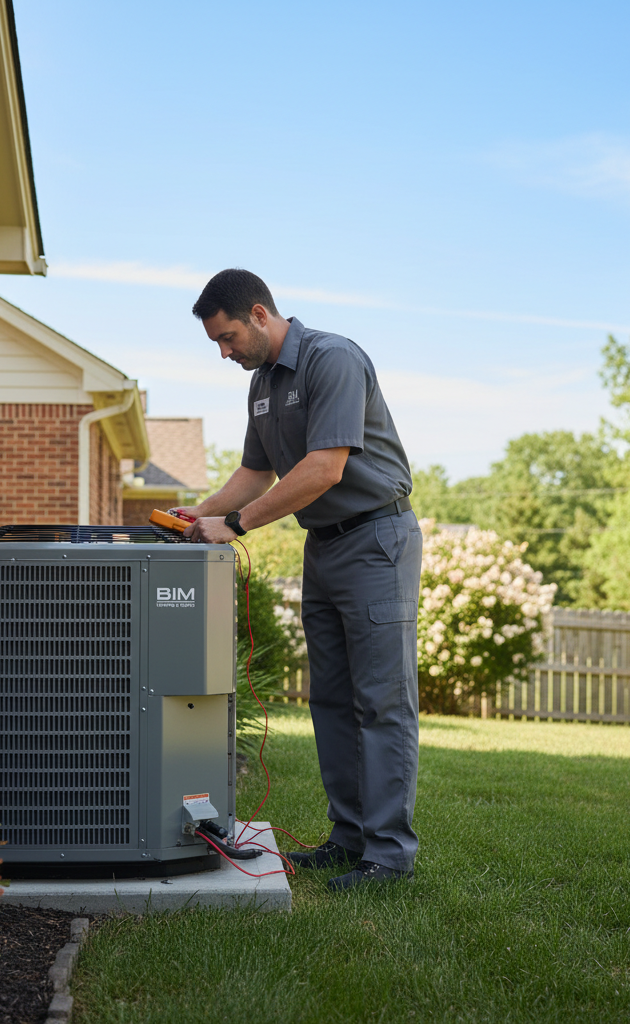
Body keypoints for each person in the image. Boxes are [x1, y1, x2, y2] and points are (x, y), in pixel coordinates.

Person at [177, 268, 422, 890]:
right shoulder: (261, 385)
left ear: (260, 314)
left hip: (375, 540)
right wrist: (199, 513)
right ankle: (348, 839)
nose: (225, 352)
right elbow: (254, 472)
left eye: (228, 337)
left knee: (382, 702)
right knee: (334, 701)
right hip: (325, 547)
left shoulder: (331, 359)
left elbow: (323, 469)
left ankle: (388, 855)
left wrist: (235, 525)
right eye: (217, 344)